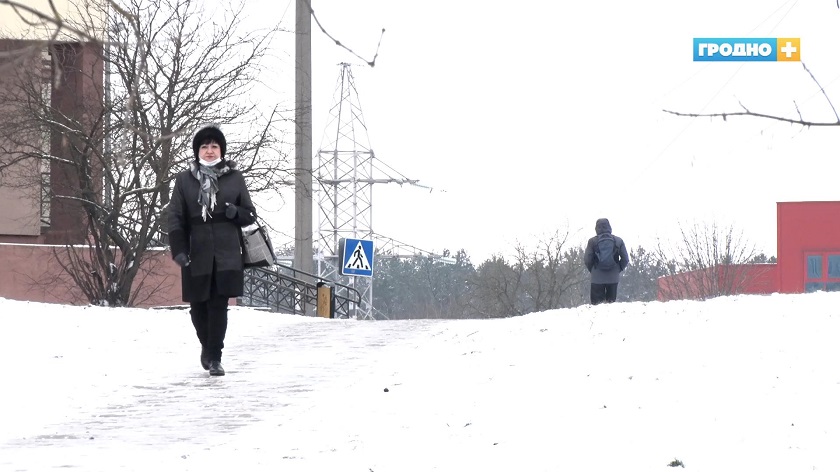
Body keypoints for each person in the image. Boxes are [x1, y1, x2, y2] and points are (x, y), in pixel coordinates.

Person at [167, 125, 257, 376]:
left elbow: (250, 214)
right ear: (197, 151)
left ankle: (215, 357)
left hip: (227, 253)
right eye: (204, 146)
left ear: (222, 150)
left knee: (219, 305)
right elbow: (175, 217)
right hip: (197, 251)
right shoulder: (184, 180)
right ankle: (207, 347)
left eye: (214, 146)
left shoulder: (235, 178)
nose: (209, 151)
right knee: (198, 307)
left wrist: (235, 213)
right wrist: (179, 249)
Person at [584, 218, 630, 305]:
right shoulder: (618, 241)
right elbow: (625, 259)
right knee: (611, 306)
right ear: (609, 227)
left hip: (597, 278)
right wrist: (617, 269)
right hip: (613, 278)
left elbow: (587, 259)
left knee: (596, 307)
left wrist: (593, 270)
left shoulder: (592, 241)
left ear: (596, 228)